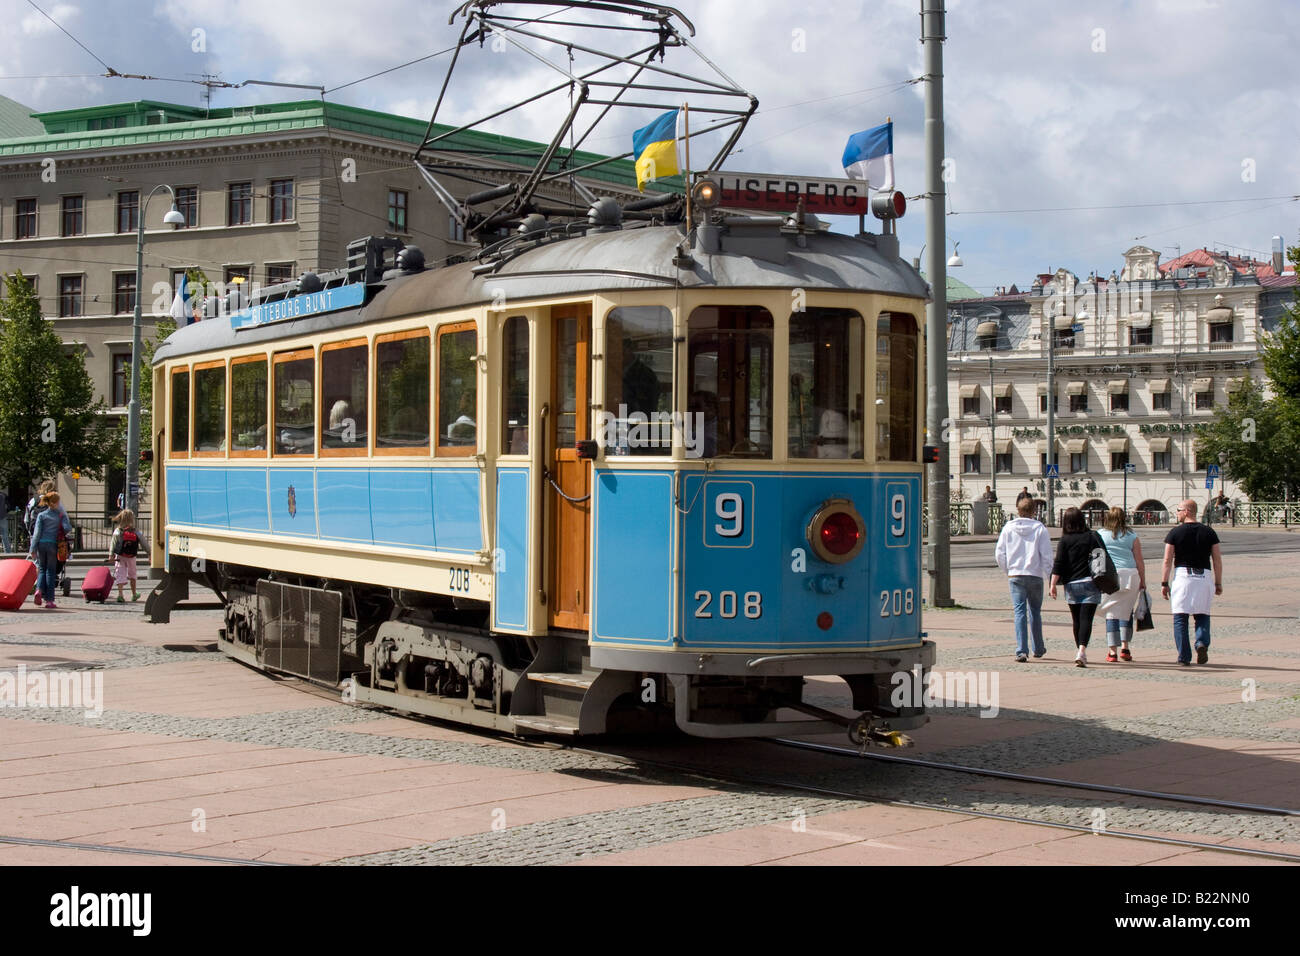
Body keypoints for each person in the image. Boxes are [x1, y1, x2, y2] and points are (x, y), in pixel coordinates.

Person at [1161, 499, 1222, 665]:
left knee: (1180, 618)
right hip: (1204, 577)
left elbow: (1167, 560)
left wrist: (1164, 583)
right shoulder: (1209, 532)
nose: (1177, 513)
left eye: (1179, 510)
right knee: (1202, 614)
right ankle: (1201, 642)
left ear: (1187, 511)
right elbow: (1217, 560)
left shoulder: (1175, 533)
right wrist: (1218, 583)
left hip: (1183, 577)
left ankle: (1184, 656)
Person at [995, 496, 1053, 662]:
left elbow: (1000, 553)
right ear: (1034, 511)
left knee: (1019, 612)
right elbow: (1047, 555)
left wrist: (1008, 569)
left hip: (1016, 575)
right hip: (1034, 575)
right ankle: (1039, 648)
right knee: (1035, 612)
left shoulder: (1008, 528)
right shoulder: (1039, 528)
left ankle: (1021, 650)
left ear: (1017, 510)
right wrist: (1049, 577)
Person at [1050, 506, 1102, 667]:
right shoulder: (1091, 537)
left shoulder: (1064, 540)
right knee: (1087, 619)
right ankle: (1082, 650)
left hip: (1071, 585)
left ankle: (1079, 650)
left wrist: (1053, 584)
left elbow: (1058, 563)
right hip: (1090, 582)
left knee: (1076, 620)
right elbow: (1100, 558)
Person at [1097, 506, 1144, 662]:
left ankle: (1112, 651)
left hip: (1111, 577)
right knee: (1126, 610)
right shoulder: (1132, 536)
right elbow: (1139, 560)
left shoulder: (1101, 535)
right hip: (1131, 576)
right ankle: (1125, 647)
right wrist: (1143, 580)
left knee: (1111, 612)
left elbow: (1097, 558)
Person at [26, 491, 70, 608]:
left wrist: (33, 549)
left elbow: (36, 533)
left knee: (41, 569)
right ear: (56, 503)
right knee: (50, 571)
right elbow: (67, 528)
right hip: (53, 544)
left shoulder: (41, 515)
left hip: (41, 544)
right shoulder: (60, 516)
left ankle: (39, 591)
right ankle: (49, 600)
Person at [110, 508, 145, 602]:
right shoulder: (135, 531)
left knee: (120, 573)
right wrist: (150, 553)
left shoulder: (118, 531)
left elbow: (113, 543)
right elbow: (144, 542)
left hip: (120, 556)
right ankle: (134, 594)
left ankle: (120, 595)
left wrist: (111, 555)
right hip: (131, 556)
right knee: (132, 574)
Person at [0, 488, 9, 553]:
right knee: (5, 536)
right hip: (3, 517)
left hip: (3, 517)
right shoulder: (3, 495)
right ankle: (8, 553)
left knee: (5, 536)